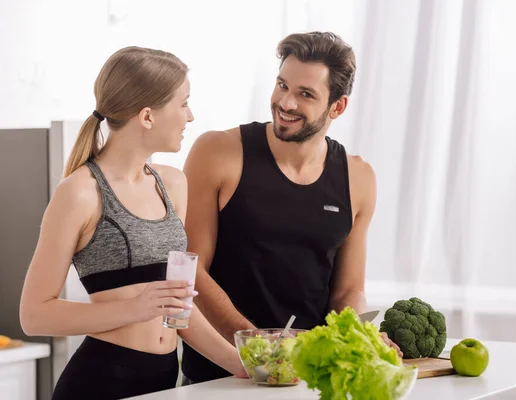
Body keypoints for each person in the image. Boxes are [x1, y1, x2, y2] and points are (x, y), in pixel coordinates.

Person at [19, 46, 245, 400]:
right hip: (100, 381)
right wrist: (134, 309)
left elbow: (178, 308)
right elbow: (34, 315)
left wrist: (241, 364)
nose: (190, 116)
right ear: (147, 116)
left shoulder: (172, 184)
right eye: (183, 103)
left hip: (164, 379)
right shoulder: (80, 193)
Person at [181, 31, 401, 385]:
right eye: (282, 85)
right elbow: (191, 269)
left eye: (305, 94)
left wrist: (363, 335)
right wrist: (257, 345)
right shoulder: (218, 152)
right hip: (218, 378)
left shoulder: (358, 177)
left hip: (305, 380)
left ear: (337, 106)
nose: (286, 102)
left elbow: (347, 291)